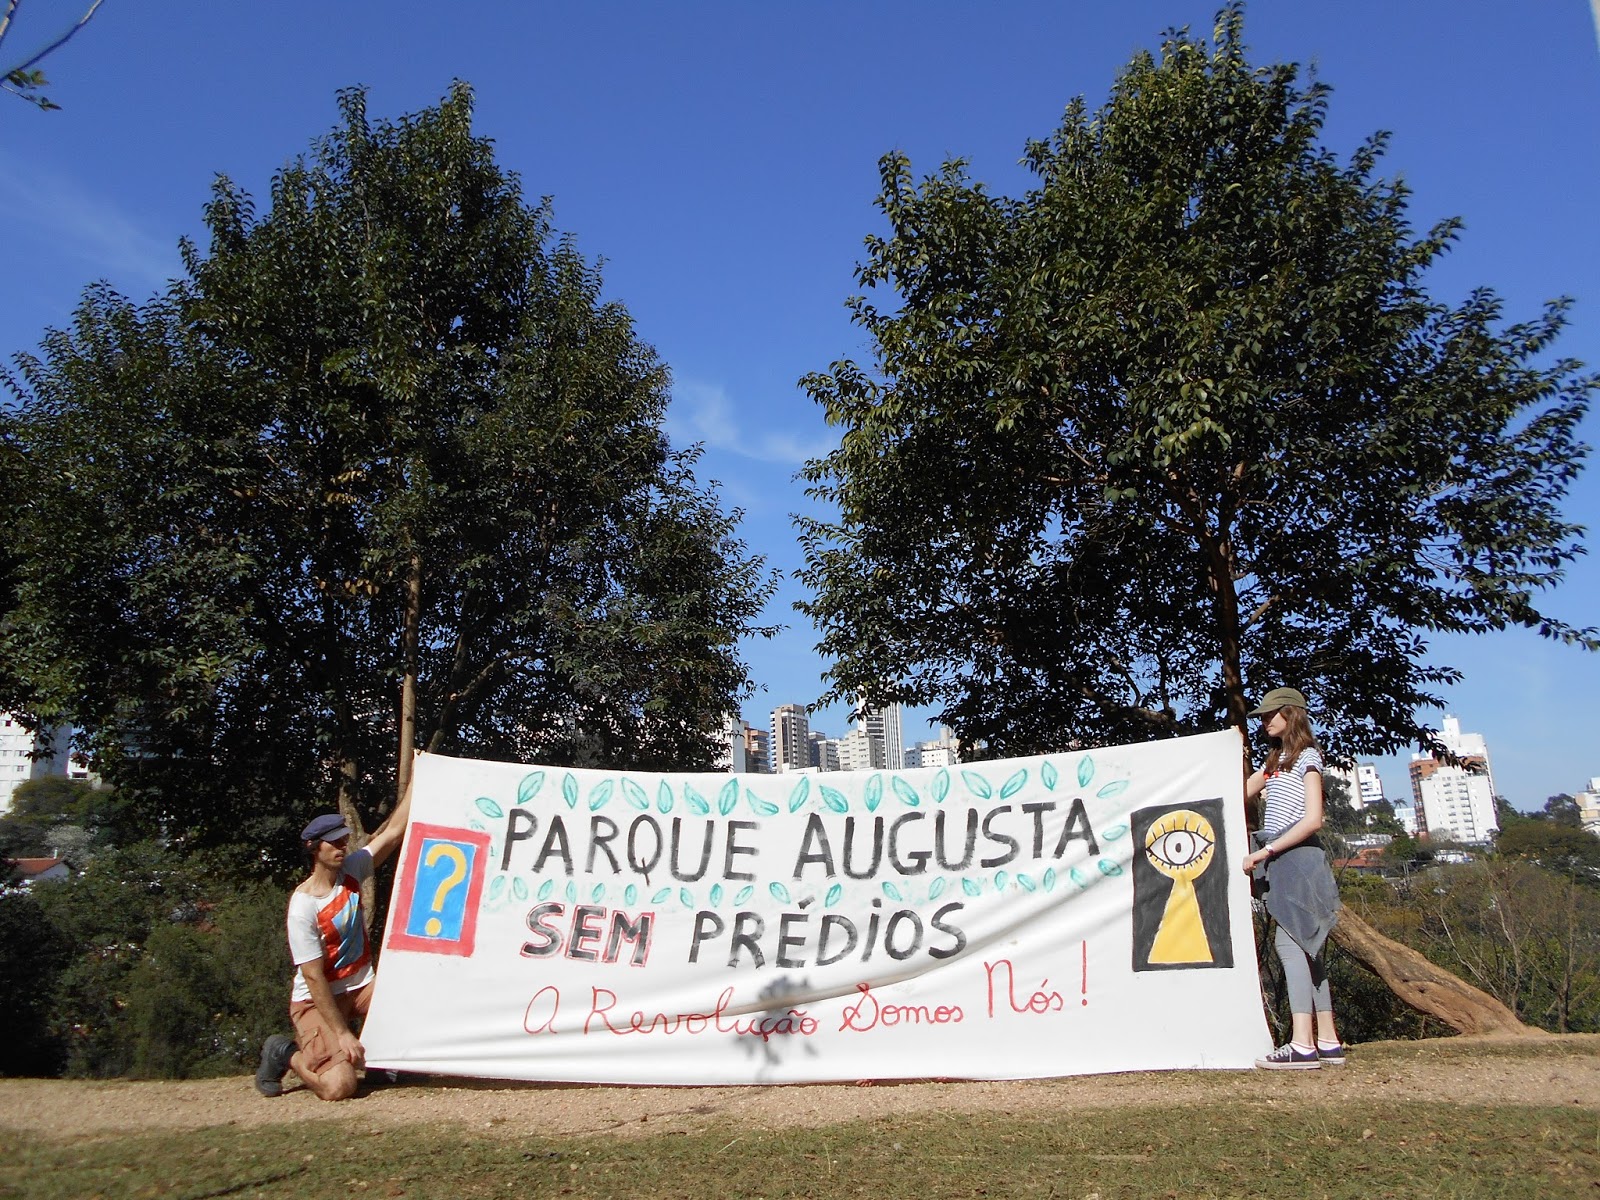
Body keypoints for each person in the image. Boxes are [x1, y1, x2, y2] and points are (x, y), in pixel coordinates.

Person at [255, 782, 412, 1100]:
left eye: (343, 840)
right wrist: (341, 1033)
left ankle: (379, 1061)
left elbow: (394, 832)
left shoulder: (351, 870)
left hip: (361, 988)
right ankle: (285, 1053)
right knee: (339, 1087)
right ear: (314, 848)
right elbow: (313, 977)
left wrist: (419, 777)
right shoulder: (303, 907)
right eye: (334, 843)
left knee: (414, 995)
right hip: (317, 1001)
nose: (342, 847)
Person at [1240, 686, 1345, 1070]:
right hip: (1283, 860)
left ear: (1291, 714)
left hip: (1298, 860)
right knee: (1308, 948)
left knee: (1290, 946)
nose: (1266, 721)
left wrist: (1266, 851)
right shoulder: (1276, 761)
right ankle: (1328, 1041)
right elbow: (1239, 793)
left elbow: (1313, 819)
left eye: (1272, 715)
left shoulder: (1308, 757)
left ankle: (1302, 1044)